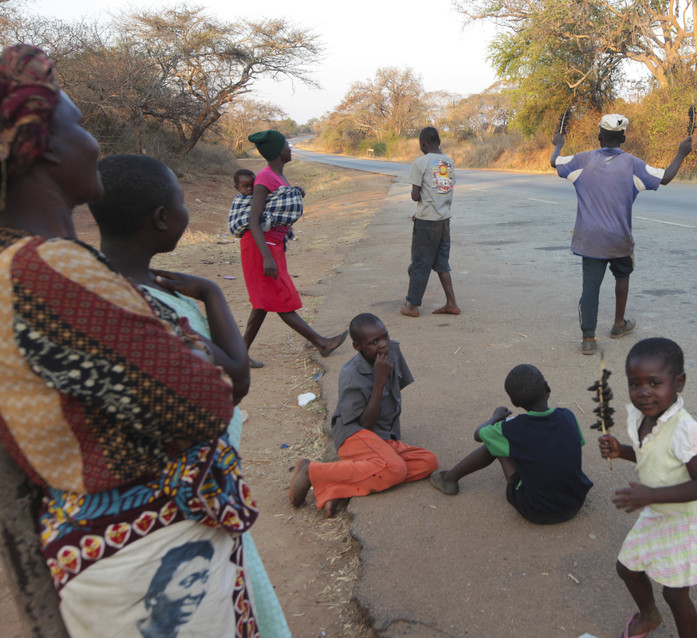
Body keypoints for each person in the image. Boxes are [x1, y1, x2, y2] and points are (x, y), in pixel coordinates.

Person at [0, 45, 258, 637]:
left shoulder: (33, 263)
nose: (94, 143)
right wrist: (189, 345)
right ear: (46, 144)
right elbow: (208, 399)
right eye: (81, 124)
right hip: (150, 560)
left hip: (124, 547)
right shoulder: (46, 270)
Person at [90, 153, 292, 638]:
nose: (185, 210)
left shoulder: (91, 285)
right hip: (182, 509)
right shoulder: (154, 309)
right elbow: (235, 380)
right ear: (163, 219)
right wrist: (212, 294)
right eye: (181, 203)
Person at [599, 338, 697, 638]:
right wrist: (621, 450)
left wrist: (650, 495)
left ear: (679, 383)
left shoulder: (685, 431)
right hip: (658, 511)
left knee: (675, 595)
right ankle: (649, 614)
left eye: (654, 382)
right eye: (635, 384)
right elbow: (652, 454)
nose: (643, 392)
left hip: (684, 519)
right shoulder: (645, 418)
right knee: (628, 569)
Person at [550, 114, 693, 355]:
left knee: (590, 287)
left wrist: (558, 144)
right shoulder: (634, 165)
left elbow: (555, 163)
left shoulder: (582, 160)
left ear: (599, 136)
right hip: (619, 239)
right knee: (623, 275)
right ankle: (618, 324)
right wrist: (681, 152)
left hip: (590, 240)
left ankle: (588, 338)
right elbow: (665, 177)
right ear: (624, 137)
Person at [288, 313, 438, 516]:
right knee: (395, 469)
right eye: (373, 342)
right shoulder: (351, 373)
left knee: (428, 461)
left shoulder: (392, 351)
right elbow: (365, 422)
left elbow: (394, 395)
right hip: (355, 433)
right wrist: (379, 380)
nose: (383, 344)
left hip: (383, 435)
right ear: (357, 346)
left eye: (384, 337)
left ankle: (336, 488)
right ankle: (311, 470)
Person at [429, 364, 593, 524]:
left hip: (536, 509)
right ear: (547, 388)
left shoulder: (512, 429)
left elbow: (479, 434)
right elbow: (575, 444)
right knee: (537, 448)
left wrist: (495, 417)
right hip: (574, 501)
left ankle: (449, 478)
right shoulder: (567, 416)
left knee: (494, 444)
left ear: (515, 403)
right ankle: (450, 477)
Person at [240, 129, 347, 366]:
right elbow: (253, 219)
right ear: (279, 151)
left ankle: (238, 354)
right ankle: (321, 343)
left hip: (271, 245)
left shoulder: (277, 176)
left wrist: (295, 193)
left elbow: (278, 204)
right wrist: (266, 257)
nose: (290, 148)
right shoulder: (265, 177)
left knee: (264, 302)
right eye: (287, 144)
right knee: (280, 298)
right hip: (261, 248)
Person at [400, 126, 460, 318]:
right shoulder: (448, 161)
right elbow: (444, 190)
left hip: (427, 222)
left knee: (420, 263)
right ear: (439, 142)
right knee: (442, 263)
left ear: (423, 143)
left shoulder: (421, 162)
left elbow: (415, 195)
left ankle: (412, 305)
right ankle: (451, 303)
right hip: (444, 220)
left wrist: (421, 207)